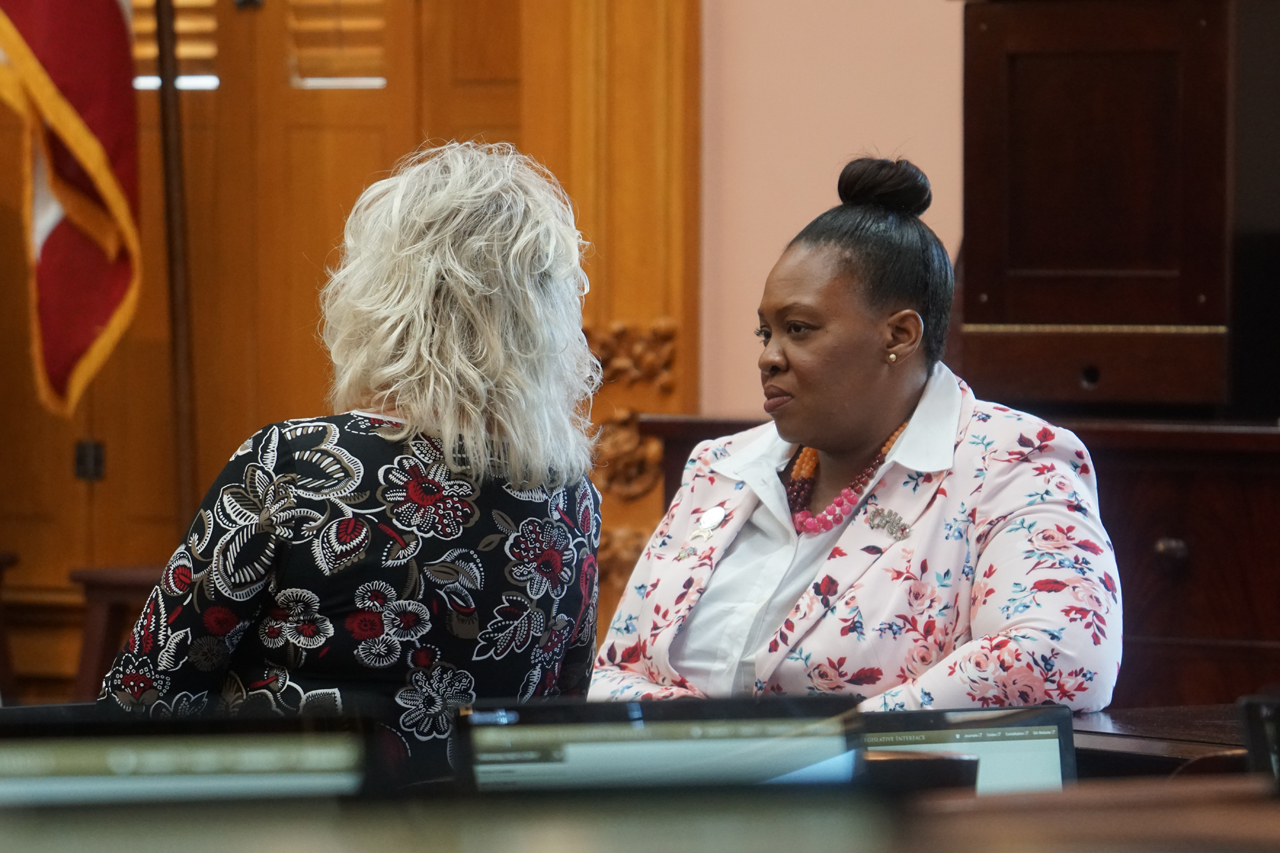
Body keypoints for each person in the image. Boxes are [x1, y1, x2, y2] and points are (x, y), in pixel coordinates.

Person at [100, 142, 603, 776]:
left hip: (291, 830)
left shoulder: (294, 463)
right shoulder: (571, 496)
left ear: (383, 298)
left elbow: (145, 694)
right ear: (545, 318)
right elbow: (561, 714)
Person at [591, 158, 1121, 711]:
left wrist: (817, 749)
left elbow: (1062, 655)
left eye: (798, 329)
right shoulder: (719, 468)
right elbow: (613, 673)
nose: (768, 357)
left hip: (888, 791)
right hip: (689, 787)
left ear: (899, 334)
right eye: (764, 332)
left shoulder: (1012, 463)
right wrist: (713, 747)